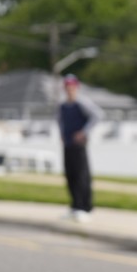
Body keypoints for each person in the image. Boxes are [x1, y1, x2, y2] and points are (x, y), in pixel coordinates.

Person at [57, 74, 103, 223]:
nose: (69, 89)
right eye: (67, 86)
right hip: (67, 144)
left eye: (72, 86)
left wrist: (84, 132)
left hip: (79, 145)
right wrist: (61, 134)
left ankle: (85, 207)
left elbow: (98, 115)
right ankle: (75, 206)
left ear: (76, 87)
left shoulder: (82, 102)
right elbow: (60, 121)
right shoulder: (62, 105)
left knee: (81, 176)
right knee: (70, 175)